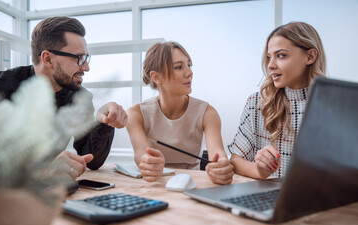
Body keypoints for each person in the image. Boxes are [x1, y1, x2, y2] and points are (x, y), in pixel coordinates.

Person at [0, 17, 127, 179]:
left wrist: (104, 122)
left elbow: (92, 161)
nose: (87, 68)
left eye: (86, 59)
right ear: (47, 59)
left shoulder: (80, 97)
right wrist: (40, 167)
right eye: (79, 58)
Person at [228, 22, 326, 179]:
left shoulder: (333, 107)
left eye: (281, 55)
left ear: (310, 56)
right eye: (269, 57)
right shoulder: (256, 104)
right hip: (264, 200)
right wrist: (260, 171)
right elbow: (235, 160)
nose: (271, 65)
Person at [126, 41, 234, 184]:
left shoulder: (208, 113)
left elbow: (217, 155)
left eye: (189, 65)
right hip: (154, 185)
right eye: (179, 67)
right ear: (156, 77)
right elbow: (141, 155)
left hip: (192, 185)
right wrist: (147, 163)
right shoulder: (135, 114)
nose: (189, 73)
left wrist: (221, 166)